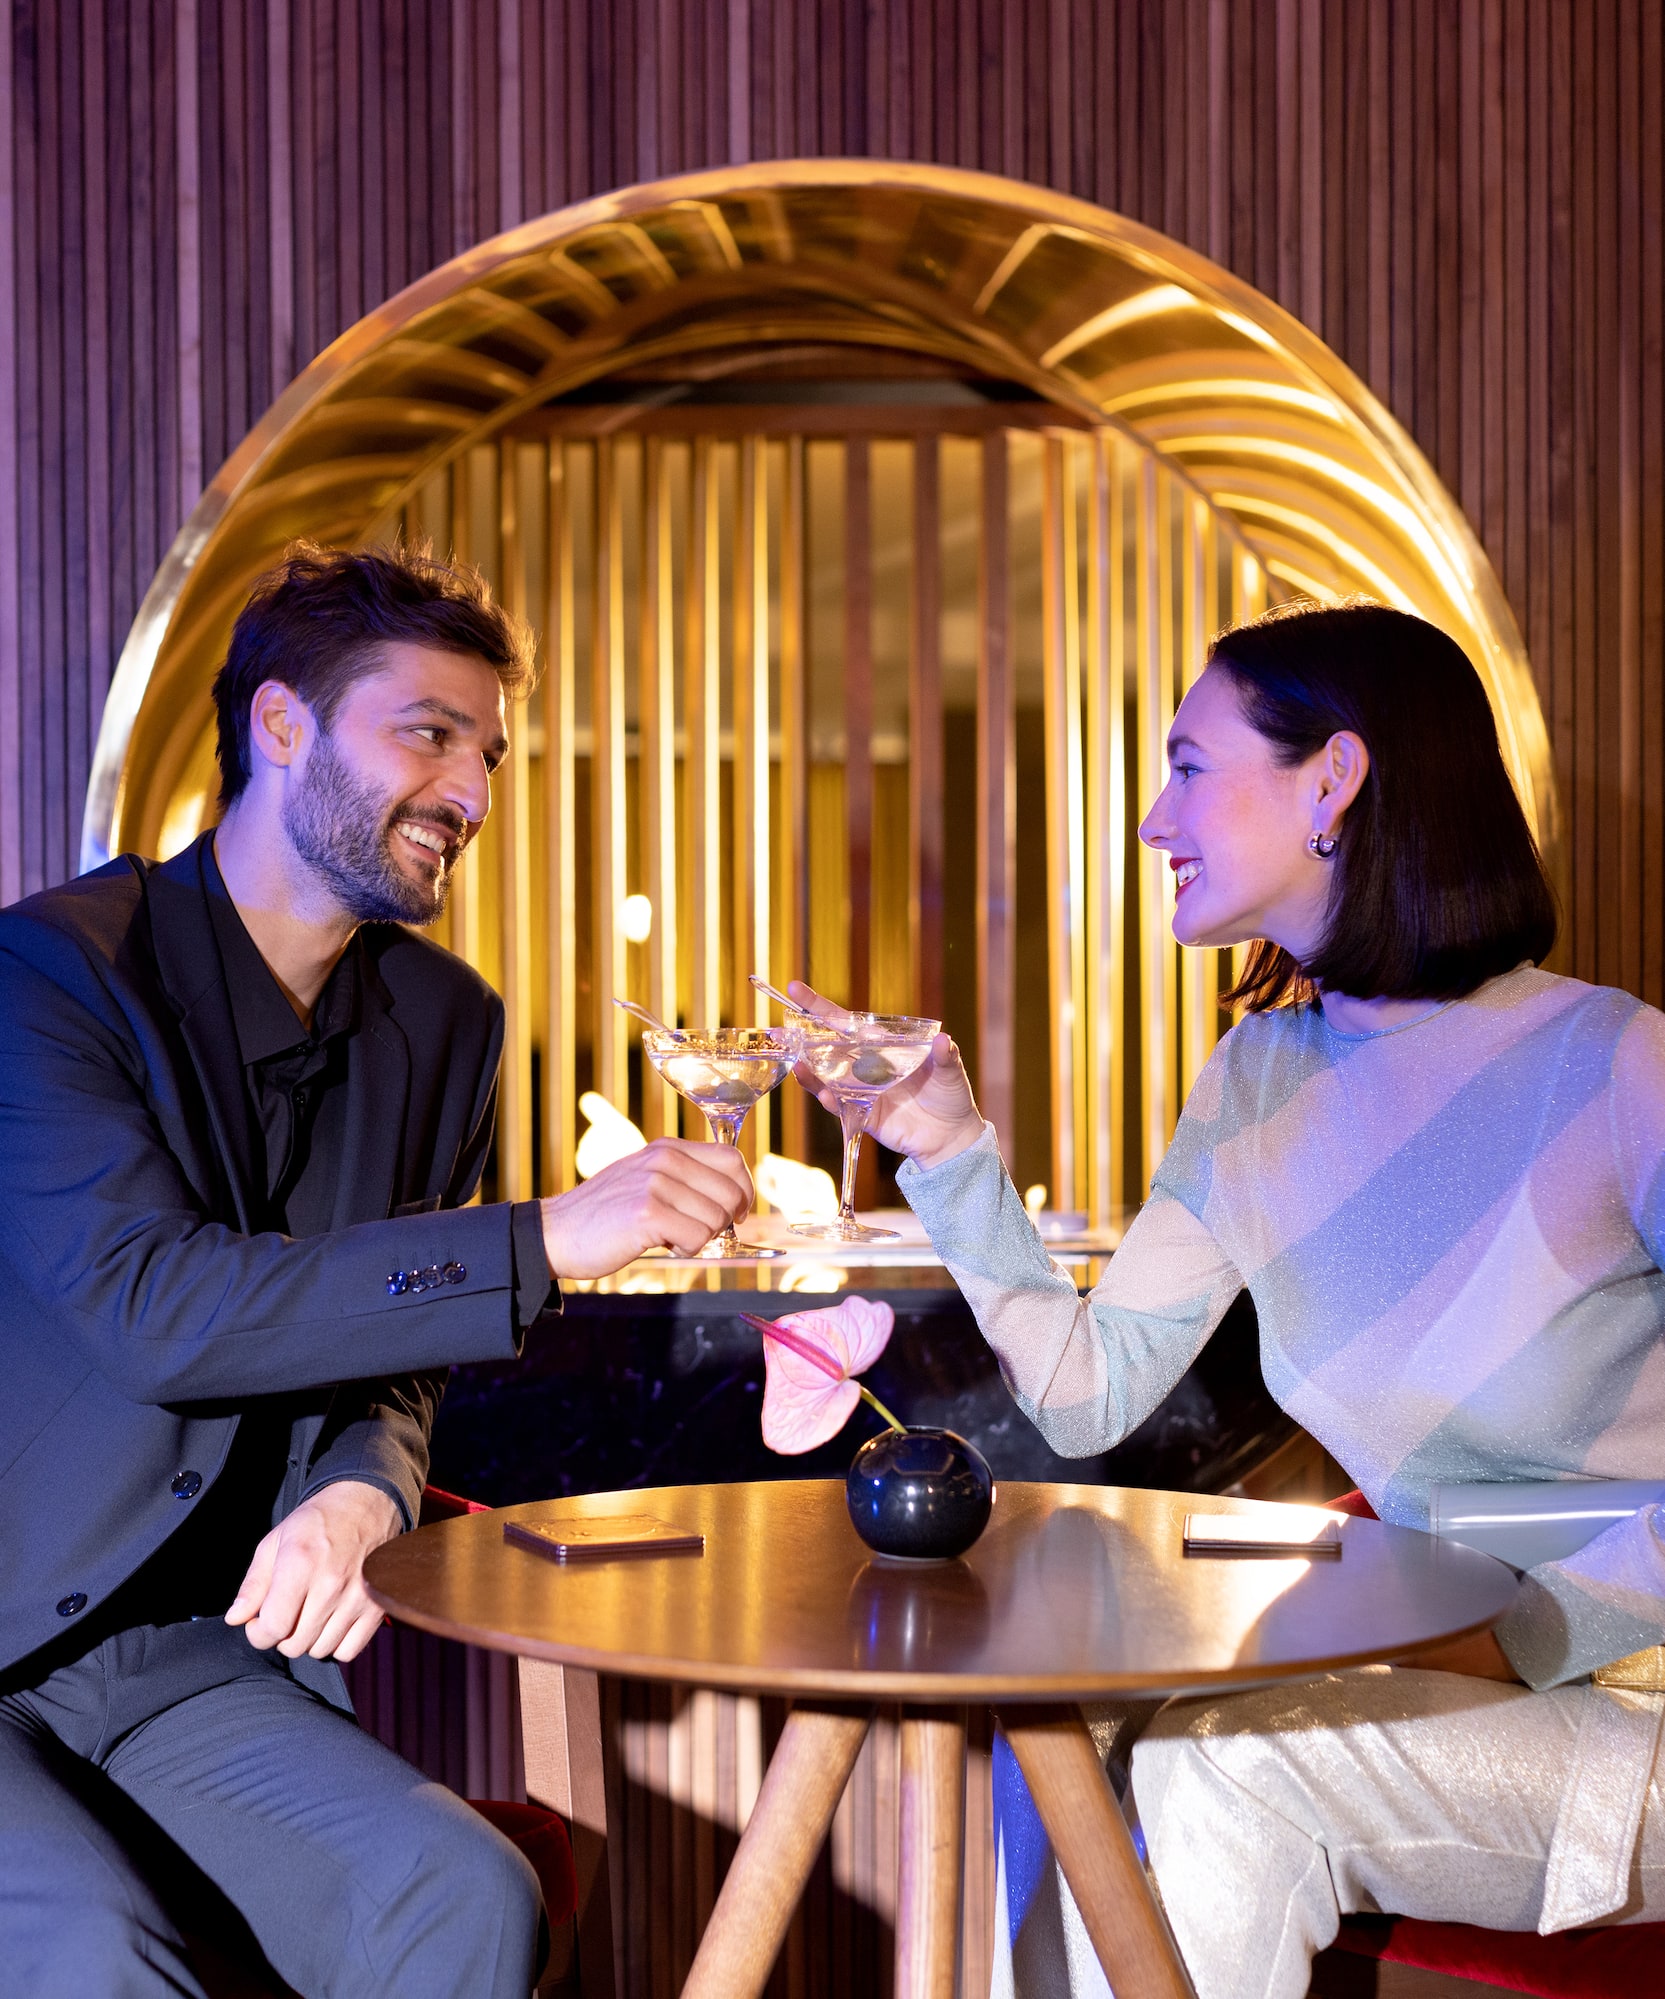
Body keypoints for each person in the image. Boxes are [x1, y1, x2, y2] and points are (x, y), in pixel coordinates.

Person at [792, 601, 1665, 1999]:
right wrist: (949, 1155)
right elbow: (1087, 1397)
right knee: (1058, 1744)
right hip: (1454, 1674)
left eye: (1187, 764)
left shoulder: (1618, 1070)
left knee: (1224, 1766)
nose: (1152, 818)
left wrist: (1518, 1633)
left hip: (1639, 1705)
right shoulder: (1256, 1082)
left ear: (1331, 778)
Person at [0, 544, 753, 1999]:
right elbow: (158, 1310)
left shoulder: (443, 1020)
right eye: (427, 733)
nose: (470, 791)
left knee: (465, 1889)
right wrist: (543, 1236)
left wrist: (364, 1485)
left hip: (184, 1659)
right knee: (97, 1951)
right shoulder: (46, 977)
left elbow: (397, 1358)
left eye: (486, 751)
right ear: (280, 726)